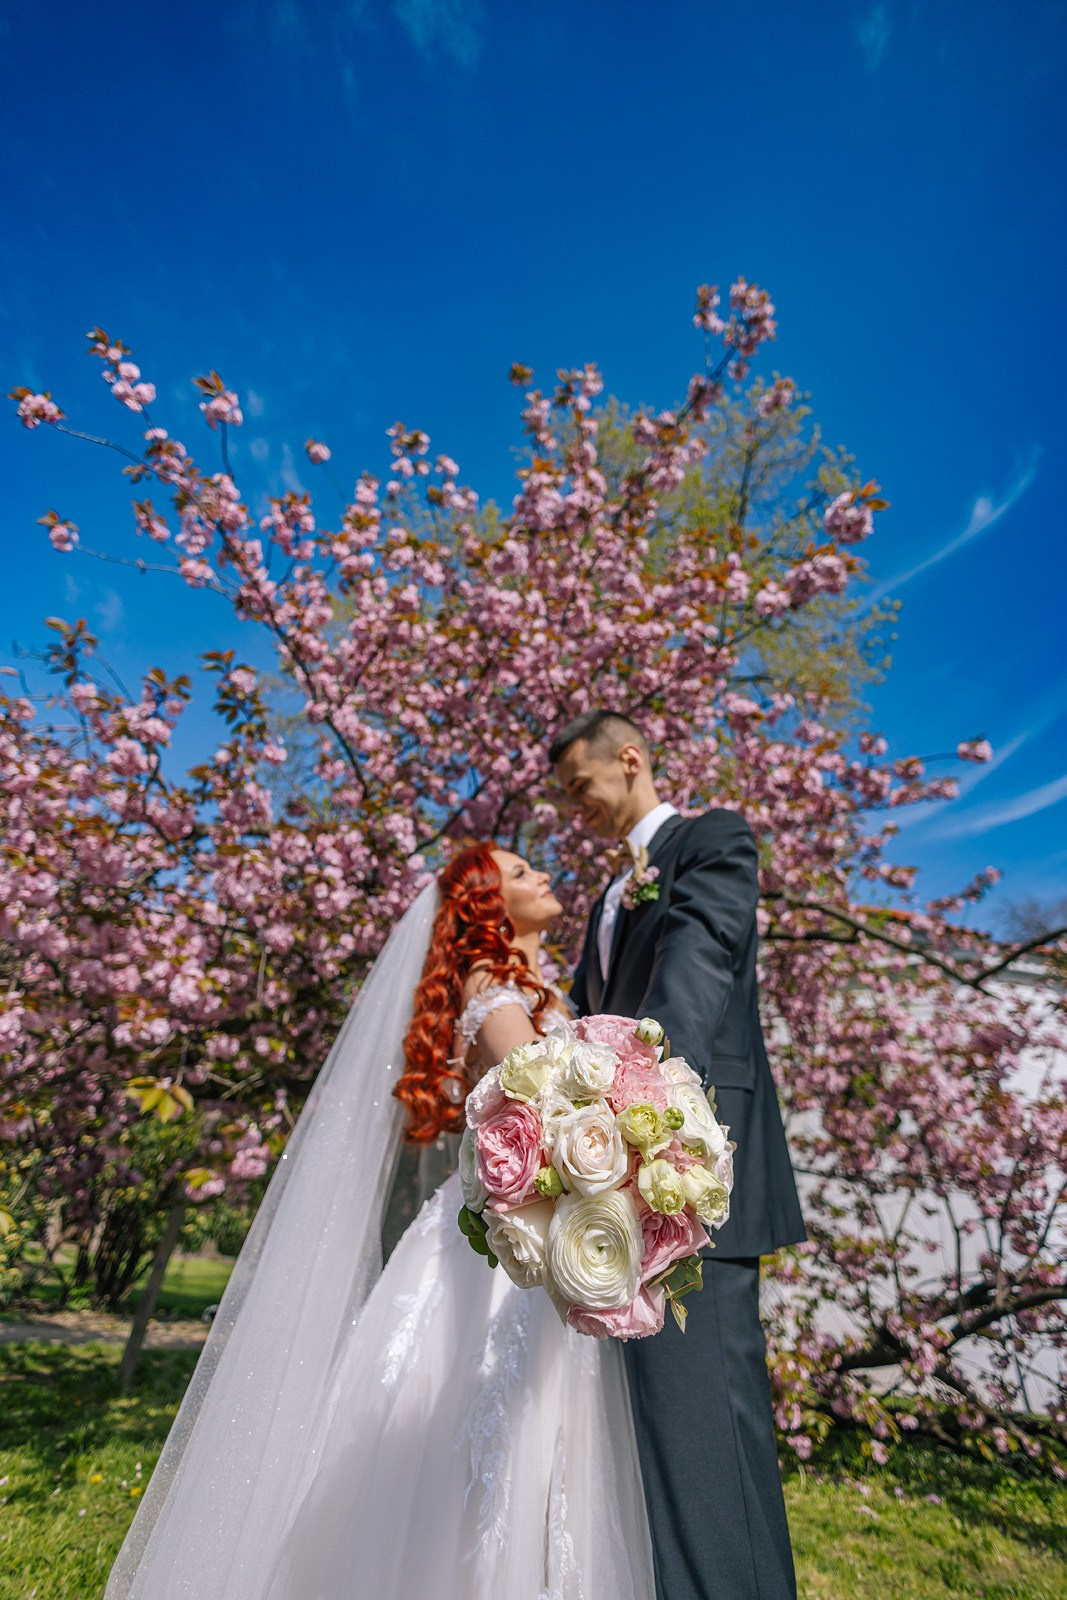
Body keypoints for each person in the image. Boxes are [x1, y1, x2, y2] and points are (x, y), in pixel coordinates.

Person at [104, 843, 654, 1600]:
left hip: (538, 1224)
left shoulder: (539, 989)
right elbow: (548, 1102)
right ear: (488, 906)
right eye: (522, 873)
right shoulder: (491, 991)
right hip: (495, 1245)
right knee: (470, 1429)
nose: (545, 875)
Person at [551, 709, 807, 1600]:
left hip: (693, 1165)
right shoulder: (605, 901)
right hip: (617, 1181)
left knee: (712, 1432)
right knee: (657, 1426)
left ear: (629, 760)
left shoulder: (712, 840)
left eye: (578, 788)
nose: (571, 808)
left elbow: (697, 969)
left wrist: (637, 1110)